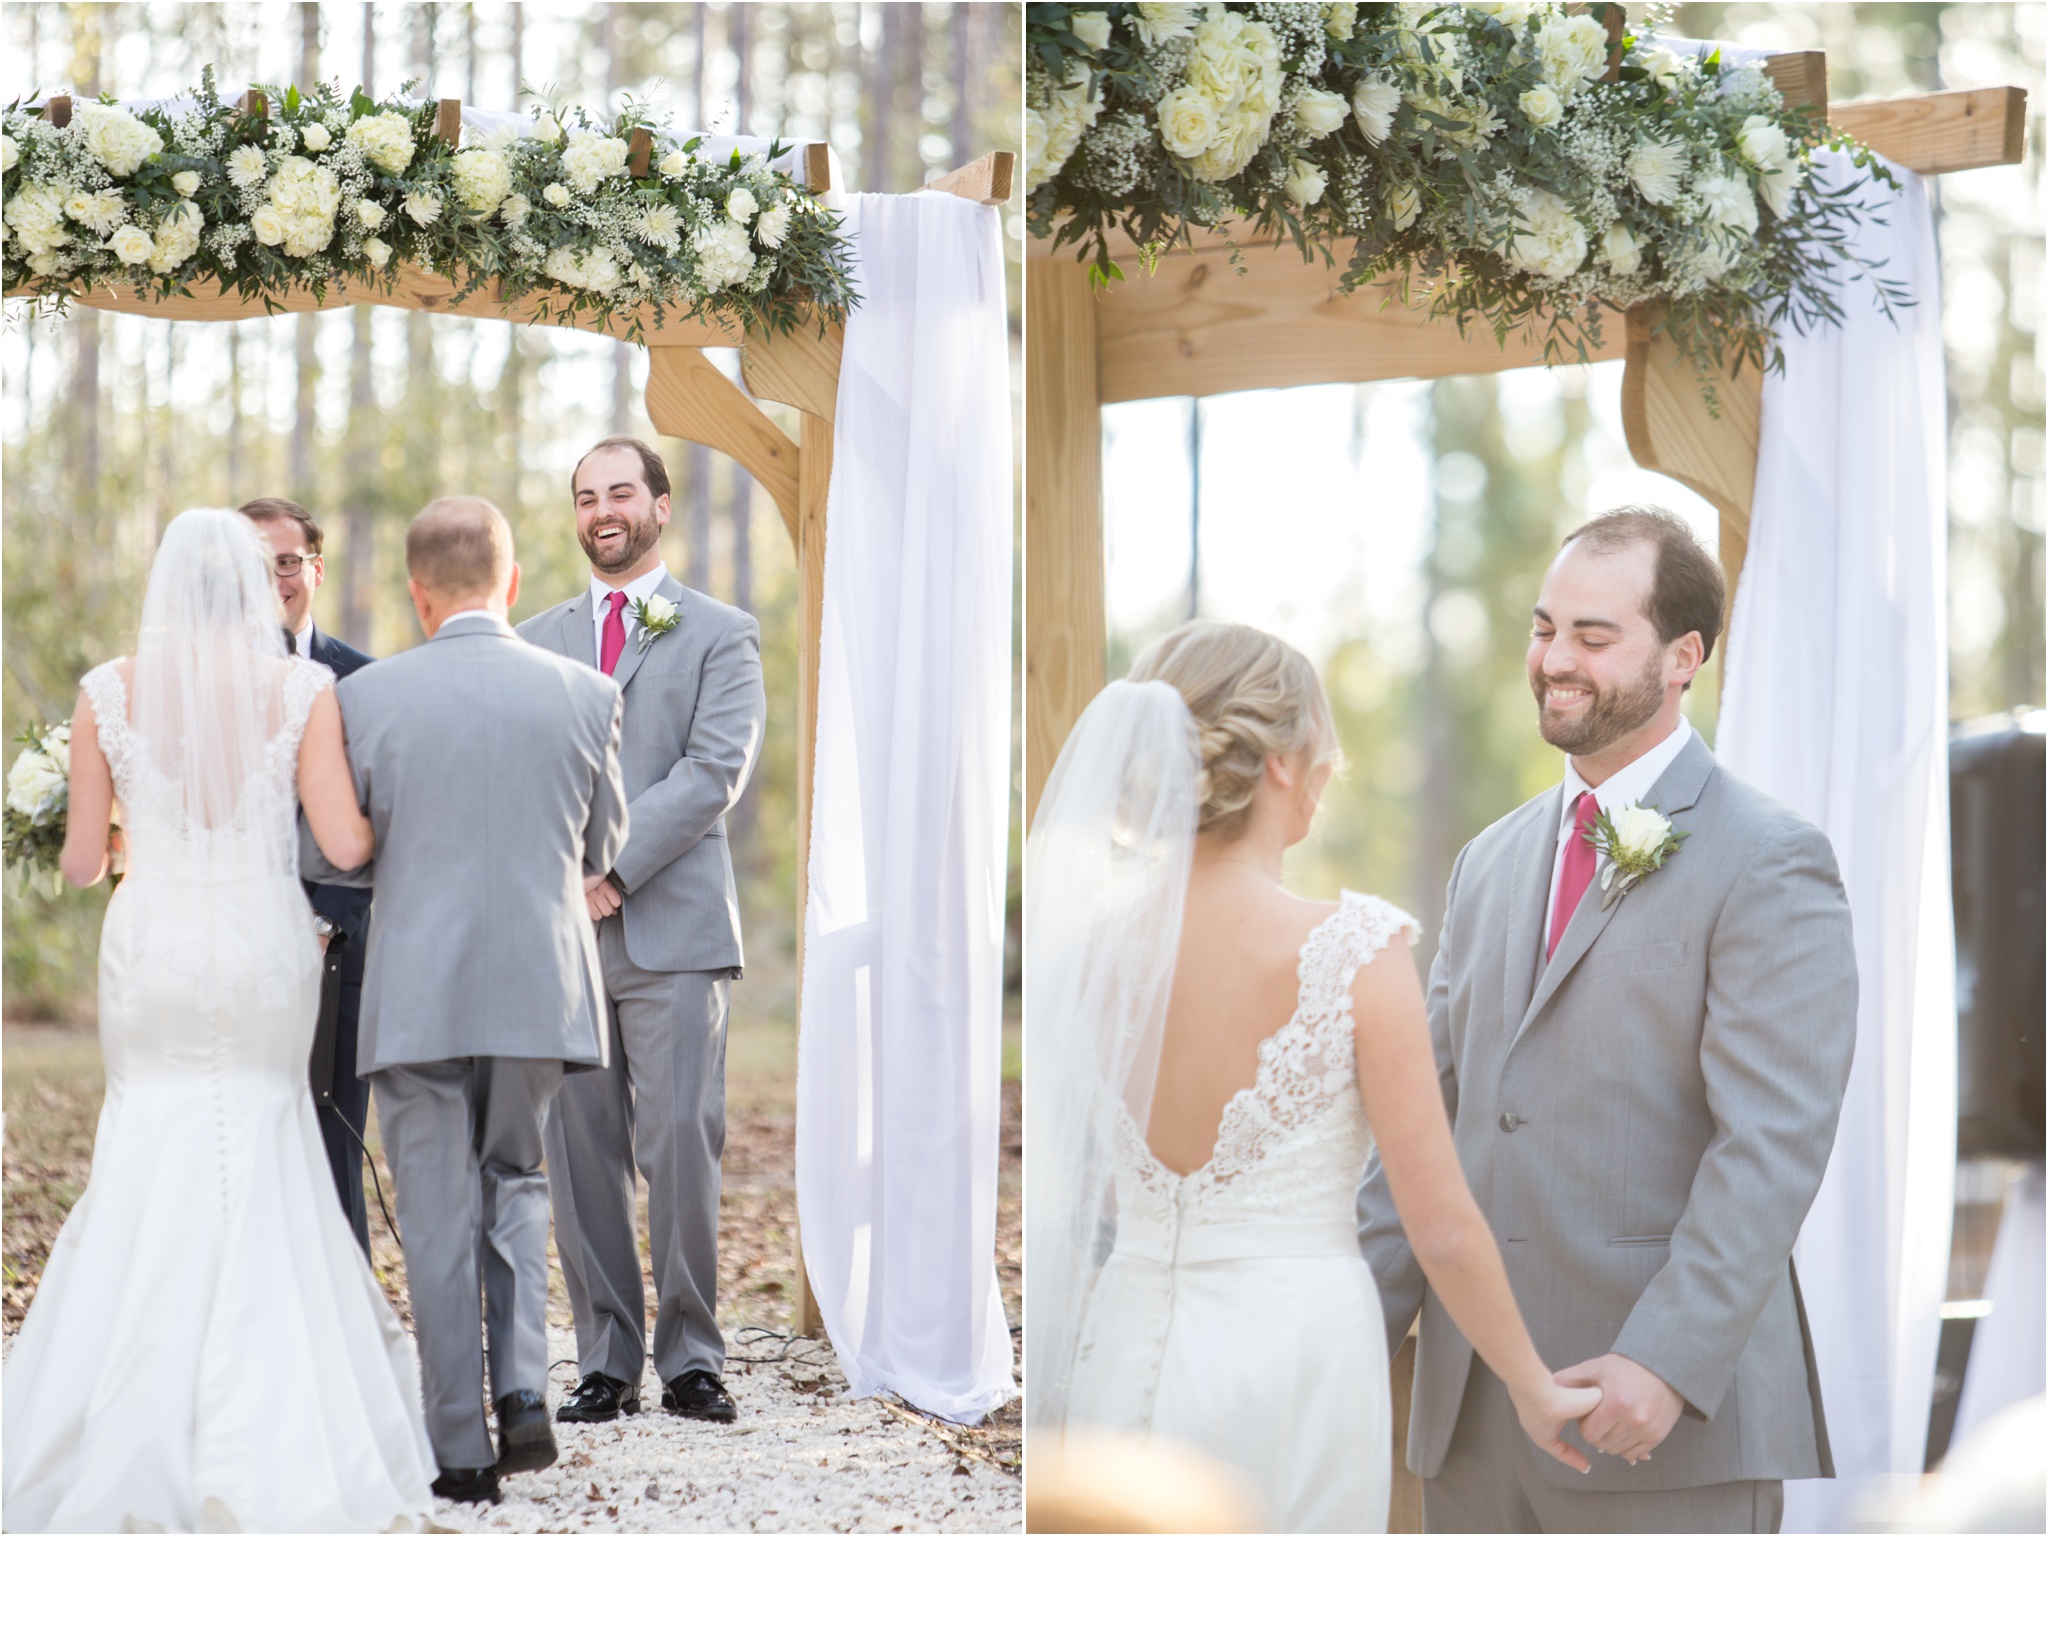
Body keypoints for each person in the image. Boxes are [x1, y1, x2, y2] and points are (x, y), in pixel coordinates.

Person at [1025, 621, 1601, 1532]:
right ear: (1285, 765)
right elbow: (1441, 1226)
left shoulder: (1094, 956)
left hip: (1124, 1341)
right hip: (1290, 1360)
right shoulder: (1354, 952)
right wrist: (1533, 1386)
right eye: (1323, 751)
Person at [1357, 507, 1859, 1533]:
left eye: (1592, 636)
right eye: (1544, 628)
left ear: (1683, 657)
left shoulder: (1769, 858)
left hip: (1655, 1415)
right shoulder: (1487, 861)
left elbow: (1770, 1145)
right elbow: (1426, 1120)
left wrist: (1663, 1358)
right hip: (1470, 1419)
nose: (1552, 659)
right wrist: (1347, 1326)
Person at [1, 509, 434, 1533]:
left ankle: (110, 1420)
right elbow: (343, 837)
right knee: (265, 1135)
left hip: (153, 946)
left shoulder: (109, 690)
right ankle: (280, 1429)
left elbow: (78, 865)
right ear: (252, 585)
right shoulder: (303, 688)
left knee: (148, 1144)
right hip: (259, 948)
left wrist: (110, 821)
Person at [301, 497, 628, 1505]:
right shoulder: (585, 692)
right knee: (517, 1180)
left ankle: (458, 1447)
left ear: (416, 590)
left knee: (437, 1207)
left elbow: (330, 854)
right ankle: (523, 1386)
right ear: (513, 580)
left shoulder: (366, 696)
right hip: (540, 981)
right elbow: (603, 847)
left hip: (416, 989)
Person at [517, 437, 765, 1426]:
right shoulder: (532, 638)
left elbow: (713, 773)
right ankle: (606, 1361)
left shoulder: (720, 632)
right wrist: (558, 881)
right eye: (585, 497)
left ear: (660, 505)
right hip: (563, 940)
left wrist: (611, 869)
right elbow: (521, 773)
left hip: (675, 930)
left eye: (620, 491)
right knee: (577, 1159)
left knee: (680, 1146)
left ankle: (693, 1358)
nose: (601, 510)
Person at [239, 496, 377, 1254]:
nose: (273, 579)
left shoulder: (364, 681)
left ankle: (341, 1336)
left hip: (337, 955)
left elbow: (378, 818)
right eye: (254, 565)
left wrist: (325, 922)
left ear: (315, 569)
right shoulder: (194, 688)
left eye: (286, 562)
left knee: (331, 1155)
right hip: (226, 951)